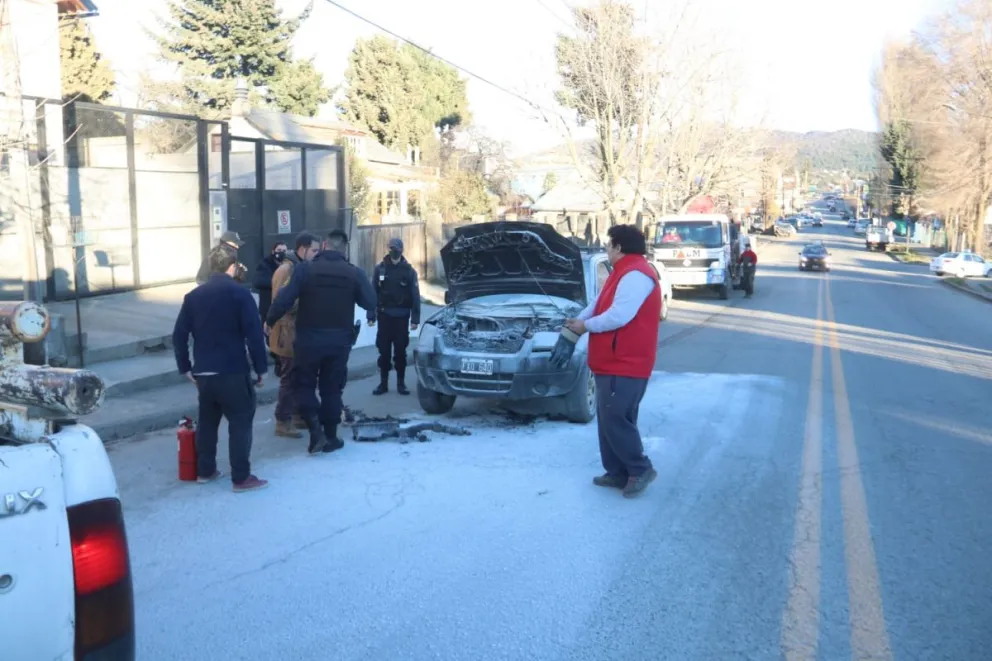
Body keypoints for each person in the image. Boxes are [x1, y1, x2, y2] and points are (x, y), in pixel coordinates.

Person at [552, 224, 660, 498]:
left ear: (619, 247)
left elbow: (618, 316)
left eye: (609, 245)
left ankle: (639, 468)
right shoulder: (622, 273)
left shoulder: (637, 275)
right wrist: (578, 321)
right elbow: (599, 305)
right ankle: (617, 472)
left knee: (617, 419)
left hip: (626, 361)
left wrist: (585, 328)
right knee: (610, 418)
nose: (607, 250)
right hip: (612, 360)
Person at [266, 228, 376, 455]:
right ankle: (331, 436)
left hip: (309, 340)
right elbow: (370, 301)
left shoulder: (305, 269)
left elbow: (284, 299)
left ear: (325, 245)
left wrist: (269, 321)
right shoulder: (354, 273)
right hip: (339, 343)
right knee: (331, 390)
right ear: (344, 249)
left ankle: (315, 429)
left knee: (303, 385)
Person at [173, 246, 269, 492]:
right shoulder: (240, 295)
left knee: (208, 421)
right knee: (240, 421)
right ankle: (241, 476)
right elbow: (254, 335)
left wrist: (185, 367)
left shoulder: (193, 296)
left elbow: (179, 335)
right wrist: (261, 368)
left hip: (203, 372)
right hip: (232, 370)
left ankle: (205, 470)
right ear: (232, 266)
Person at [268, 232, 321, 438]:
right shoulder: (287, 269)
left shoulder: (298, 267)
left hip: (296, 332)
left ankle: (298, 415)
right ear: (303, 249)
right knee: (289, 378)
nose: (316, 255)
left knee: (299, 376)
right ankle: (282, 420)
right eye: (314, 250)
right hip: (286, 333)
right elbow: (282, 302)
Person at [370, 237, 421, 396]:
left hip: (402, 317)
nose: (394, 251)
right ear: (388, 248)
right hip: (385, 316)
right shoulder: (380, 269)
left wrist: (415, 319)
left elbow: (415, 295)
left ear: (402, 250)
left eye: (397, 248)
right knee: (384, 352)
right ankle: (383, 384)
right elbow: (373, 293)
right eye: (392, 248)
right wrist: (370, 315)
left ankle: (401, 383)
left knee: (400, 352)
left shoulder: (409, 271)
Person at [253, 242, 288, 322]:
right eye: (279, 250)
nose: (281, 252)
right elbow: (257, 282)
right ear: (273, 251)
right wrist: (278, 282)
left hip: (283, 309)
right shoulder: (264, 264)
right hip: (267, 307)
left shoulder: (289, 264)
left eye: (284, 251)